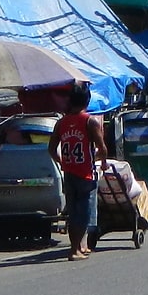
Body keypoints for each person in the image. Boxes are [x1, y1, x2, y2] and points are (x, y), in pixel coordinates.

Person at [48, 85, 106, 260]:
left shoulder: (61, 123)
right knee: (85, 212)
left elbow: (51, 149)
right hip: (86, 173)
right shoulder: (90, 122)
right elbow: (102, 148)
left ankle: (79, 247)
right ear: (87, 101)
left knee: (73, 212)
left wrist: (63, 162)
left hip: (69, 173)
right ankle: (75, 250)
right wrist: (100, 161)